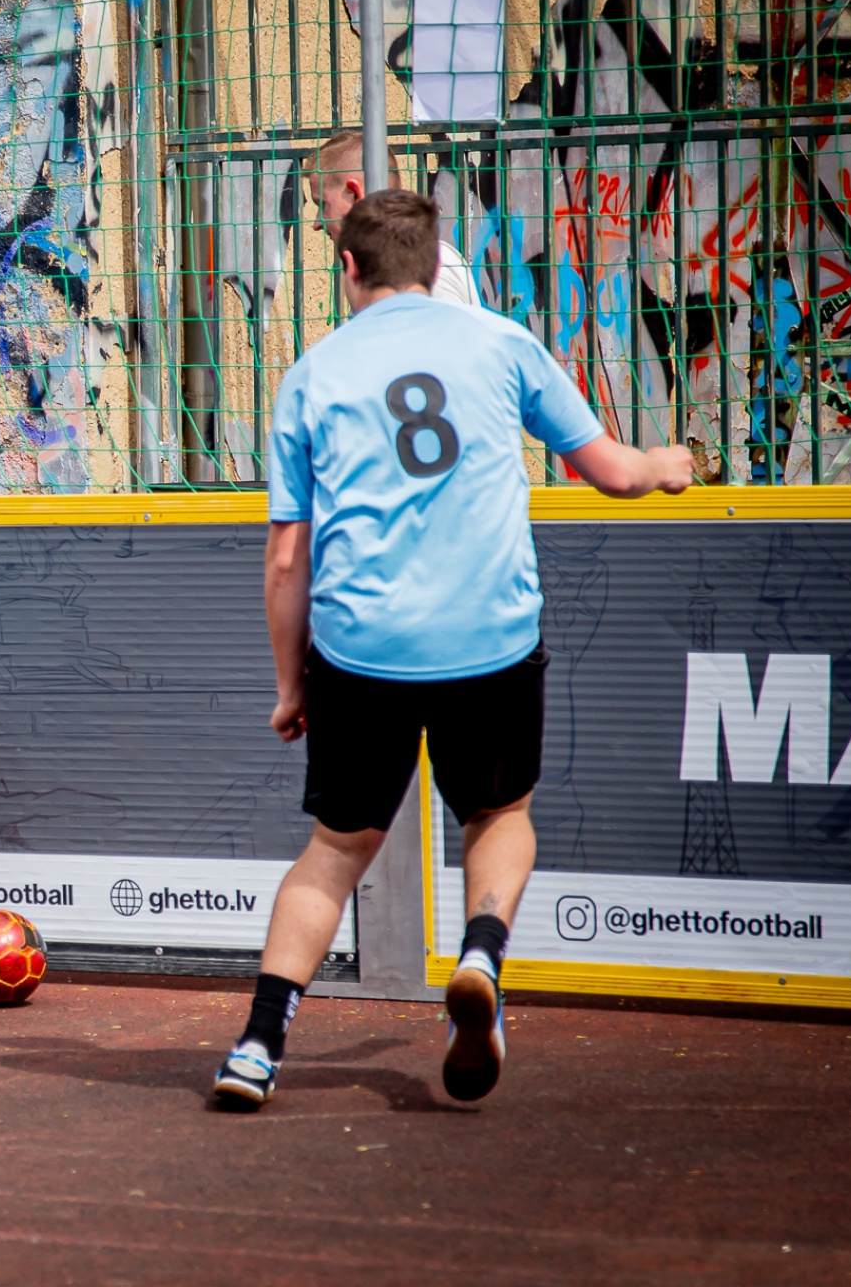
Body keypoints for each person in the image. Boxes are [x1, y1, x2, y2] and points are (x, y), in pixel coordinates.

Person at [214, 191, 693, 1110]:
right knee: (497, 814)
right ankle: (479, 953)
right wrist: (664, 465)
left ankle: (257, 1046)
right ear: (435, 266)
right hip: (488, 639)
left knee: (334, 851)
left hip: (362, 649)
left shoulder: (311, 374)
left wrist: (290, 685)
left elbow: (284, 558)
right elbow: (609, 472)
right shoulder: (501, 343)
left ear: (346, 267)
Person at [308, 131, 479, 307]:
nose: (317, 223)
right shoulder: (387, 265)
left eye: (322, 204)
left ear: (354, 195)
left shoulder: (428, 267)